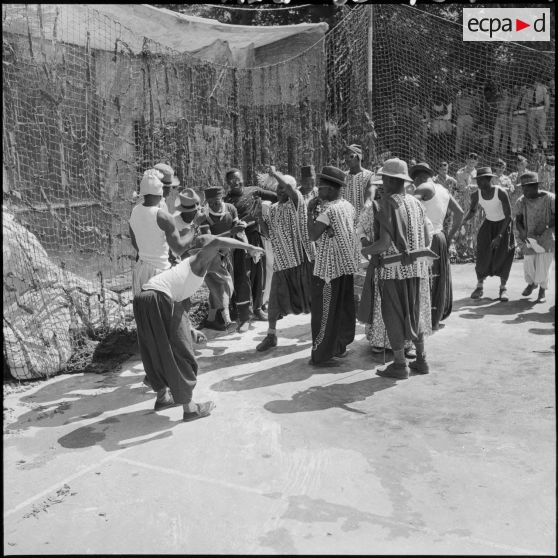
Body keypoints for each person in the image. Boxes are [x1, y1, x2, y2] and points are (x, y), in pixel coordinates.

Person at [136, 234, 265, 418]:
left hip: (145, 299)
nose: (223, 261)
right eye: (222, 256)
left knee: (158, 349)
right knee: (181, 353)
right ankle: (190, 409)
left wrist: (190, 329)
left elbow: (179, 306)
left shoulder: (190, 271)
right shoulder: (197, 261)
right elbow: (217, 241)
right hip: (158, 298)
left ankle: (163, 397)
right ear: (210, 253)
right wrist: (249, 246)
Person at [361, 158, 433, 379]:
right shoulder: (416, 204)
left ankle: (400, 364)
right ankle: (421, 360)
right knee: (415, 313)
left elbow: (383, 244)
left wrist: (366, 251)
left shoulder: (386, 205)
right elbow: (428, 237)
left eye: (384, 179)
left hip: (392, 270)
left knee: (393, 315)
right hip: (417, 269)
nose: (382, 183)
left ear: (392, 180)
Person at [357, 173, 417, 358]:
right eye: (379, 186)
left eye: (384, 184)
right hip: (390, 265)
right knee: (388, 305)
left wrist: (367, 251)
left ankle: (405, 346)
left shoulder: (407, 204)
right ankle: (380, 341)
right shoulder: (374, 207)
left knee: (398, 306)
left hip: (399, 265)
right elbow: (360, 229)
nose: (382, 188)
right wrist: (366, 243)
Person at [255, 169, 315, 352]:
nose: (280, 191)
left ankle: (321, 333)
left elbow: (289, 187)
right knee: (274, 302)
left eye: (283, 188)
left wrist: (274, 173)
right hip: (282, 263)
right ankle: (271, 335)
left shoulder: (297, 203)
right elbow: (269, 235)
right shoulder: (273, 209)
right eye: (277, 188)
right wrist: (259, 217)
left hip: (301, 261)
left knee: (313, 301)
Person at [307, 166, 360, 365]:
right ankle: (339, 347)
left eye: (320, 189)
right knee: (342, 310)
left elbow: (313, 235)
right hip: (345, 267)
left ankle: (320, 356)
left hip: (328, 271)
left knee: (324, 313)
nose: (317, 193)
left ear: (329, 189)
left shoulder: (328, 211)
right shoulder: (348, 206)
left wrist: (309, 210)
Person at [411, 162, 464, 330]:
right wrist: (449, 236)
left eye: (414, 181)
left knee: (426, 280)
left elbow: (409, 208)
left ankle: (424, 320)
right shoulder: (442, 189)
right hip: (440, 236)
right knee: (438, 277)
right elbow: (460, 213)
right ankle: (436, 315)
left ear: (418, 177)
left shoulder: (422, 188)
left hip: (426, 239)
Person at [129, 170, 198, 297]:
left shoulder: (134, 211)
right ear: (160, 192)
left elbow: (135, 243)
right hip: (159, 274)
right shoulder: (164, 217)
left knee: (144, 314)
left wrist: (149, 252)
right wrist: (194, 228)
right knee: (162, 314)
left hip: (141, 270)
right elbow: (178, 249)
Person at [224, 168, 277, 331]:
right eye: (232, 181)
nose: (236, 183)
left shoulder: (254, 191)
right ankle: (244, 317)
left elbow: (277, 197)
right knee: (244, 276)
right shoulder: (227, 202)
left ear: (243, 178)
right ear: (227, 183)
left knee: (258, 274)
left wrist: (275, 177)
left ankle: (258, 309)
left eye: (238, 179)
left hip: (256, 237)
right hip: (240, 242)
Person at [462, 167, 516, 302]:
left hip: (504, 225)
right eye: (477, 180)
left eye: (481, 180)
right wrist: (462, 221)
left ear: (489, 179)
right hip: (488, 224)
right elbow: (473, 211)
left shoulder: (501, 192)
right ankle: (479, 286)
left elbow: (509, 215)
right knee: (482, 253)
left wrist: (499, 236)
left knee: (505, 254)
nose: (479, 183)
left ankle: (503, 288)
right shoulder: (476, 194)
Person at [198, 186, 246, 332]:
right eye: (210, 202)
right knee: (223, 285)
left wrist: (240, 226)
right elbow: (209, 240)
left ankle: (211, 320)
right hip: (212, 256)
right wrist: (230, 232)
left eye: (216, 202)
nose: (213, 205)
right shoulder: (204, 215)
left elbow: (236, 224)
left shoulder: (230, 209)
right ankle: (227, 319)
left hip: (227, 253)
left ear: (222, 198)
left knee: (217, 287)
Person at [515, 171, 555, 303]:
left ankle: (542, 290)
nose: (523, 190)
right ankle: (532, 284)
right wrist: (522, 231)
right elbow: (518, 219)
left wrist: (546, 226)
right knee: (529, 262)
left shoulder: (550, 199)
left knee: (543, 263)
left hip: (547, 236)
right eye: (522, 187)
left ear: (535, 187)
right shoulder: (521, 200)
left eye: (526, 188)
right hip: (529, 236)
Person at [342, 144, 374, 221]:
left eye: (351, 156)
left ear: (359, 157)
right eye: (345, 157)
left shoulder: (369, 175)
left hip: (362, 220)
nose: (347, 159)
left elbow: (369, 198)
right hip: (345, 219)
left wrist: (363, 216)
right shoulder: (342, 176)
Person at [526, 79, 550, 152]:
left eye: (535, 82)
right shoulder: (529, 90)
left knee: (541, 129)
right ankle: (534, 147)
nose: (533, 84)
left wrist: (545, 110)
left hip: (541, 109)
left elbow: (547, 100)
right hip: (532, 110)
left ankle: (545, 146)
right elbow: (526, 101)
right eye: (532, 83)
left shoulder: (543, 88)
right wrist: (528, 111)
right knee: (531, 129)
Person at [455, 87, 479, 155]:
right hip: (461, 117)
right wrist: (458, 115)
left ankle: (465, 151)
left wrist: (472, 114)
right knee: (459, 135)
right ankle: (457, 152)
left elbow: (476, 108)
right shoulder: (458, 99)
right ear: (462, 91)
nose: (465, 92)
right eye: (463, 91)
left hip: (469, 117)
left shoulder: (471, 99)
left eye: (466, 91)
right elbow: (455, 108)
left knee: (467, 135)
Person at [510, 84, 529, 154]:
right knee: (514, 134)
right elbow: (511, 108)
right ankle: (513, 150)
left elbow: (528, 109)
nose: (523, 91)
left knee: (522, 134)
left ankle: (520, 149)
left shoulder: (527, 98)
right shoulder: (515, 97)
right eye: (522, 89)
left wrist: (527, 118)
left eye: (524, 89)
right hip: (515, 117)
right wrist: (510, 117)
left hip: (523, 117)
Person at [493, 86, 511, 154]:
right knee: (496, 133)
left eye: (505, 92)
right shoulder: (498, 98)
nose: (504, 93)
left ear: (507, 92)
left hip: (505, 116)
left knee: (505, 135)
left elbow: (510, 109)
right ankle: (495, 151)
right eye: (503, 92)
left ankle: (503, 151)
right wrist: (497, 96)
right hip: (498, 116)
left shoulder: (509, 99)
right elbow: (495, 105)